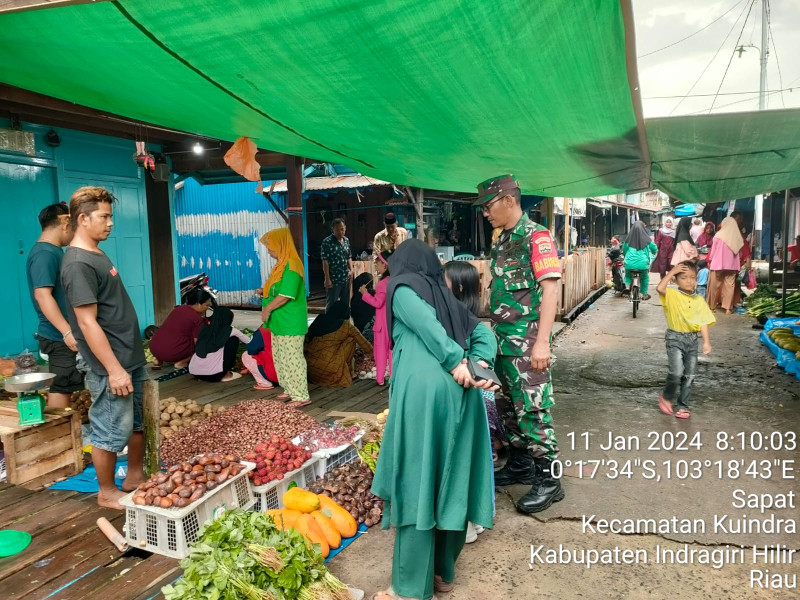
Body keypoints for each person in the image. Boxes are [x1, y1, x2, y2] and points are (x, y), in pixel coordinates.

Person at [371, 239, 496, 600]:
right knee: (452, 487)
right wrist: (479, 363)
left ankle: (409, 590)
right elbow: (484, 332)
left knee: (417, 486)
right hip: (465, 400)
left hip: (425, 404)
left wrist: (456, 362)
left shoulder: (402, 290)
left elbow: (426, 327)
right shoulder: (450, 303)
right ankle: (444, 573)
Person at [476, 174, 564, 514]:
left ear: (509, 200)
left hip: (527, 343)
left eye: (488, 205)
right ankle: (521, 463)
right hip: (503, 343)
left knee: (534, 411)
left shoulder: (536, 238)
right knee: (508, 408)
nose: (485, 212)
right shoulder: (502, 240)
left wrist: (542, 342)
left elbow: (551, 290)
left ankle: (550, 479)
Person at [60, 186, 146, 510]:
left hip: (129, 355)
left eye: (110, 216)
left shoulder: (96, 251)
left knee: (136, 421)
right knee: (110, 428)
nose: (110, 223)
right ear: (83, 219)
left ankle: (134, 477)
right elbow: (87, 323)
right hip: (112, 364)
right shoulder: (78, 263)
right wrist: (113, 369)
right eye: (104, 217)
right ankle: (107, 491)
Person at [443, 260, 505, 456]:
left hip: (472, 399)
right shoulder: (440, 320)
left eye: (442, 280)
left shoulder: (479, 331)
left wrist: (471, 365)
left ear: (459, 288)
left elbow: (480, 361)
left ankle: (489, 452)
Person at [26, 203, 81, 408]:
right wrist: (66, 332)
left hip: (65, 335)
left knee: (69, 384)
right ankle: (54, 438)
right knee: (62, 385)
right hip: (59, 337)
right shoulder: (45, 254)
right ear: (65, 222)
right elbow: (42, 295)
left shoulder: (53, 251)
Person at [656, 262, 714, 420]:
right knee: (676, 372)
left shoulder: (699, 301)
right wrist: (671, 272)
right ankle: (666, 397)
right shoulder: (671, 294)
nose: (689, 281)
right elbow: (660, 288)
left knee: (689, 375)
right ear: (675, 280)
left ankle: (683, 405)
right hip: (674, 338)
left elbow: (703, 321)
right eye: (684, 277)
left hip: (692, 340)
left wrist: (706, 342)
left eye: (692, 278)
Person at [260, 228, 311, 406]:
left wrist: (267, 310)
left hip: (290, 321)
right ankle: (290, 389)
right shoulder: (281, 264)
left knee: (293, 358)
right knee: (281, 357)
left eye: (271, 247)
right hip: (279, 321)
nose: (269, 251)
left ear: (281, 245)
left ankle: (301, 396)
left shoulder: (292, 265)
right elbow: (277, 290)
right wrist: (264, 292)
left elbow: (286, 295)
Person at [304, 301, 372, 387]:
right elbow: (364, 344)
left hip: (311, 371)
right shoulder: (345, 325)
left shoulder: (319, 321)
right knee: (351, 338)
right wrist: (373, 355)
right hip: (331, 372)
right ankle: (349, 372)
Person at [148, 288, 212, 369]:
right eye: (207, 305)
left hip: (154, 348)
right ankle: (182, 362)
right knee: (201, 346)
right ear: (198, 304)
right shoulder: (197, 319)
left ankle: (159, 360)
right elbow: (198, 343)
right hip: (171, 353)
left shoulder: (178, 309)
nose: (207, 308)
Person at [189, 307, 248, 382]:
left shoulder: (204, 328)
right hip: (215, 375)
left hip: (195, 372)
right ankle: (226, 374)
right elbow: (249, 341)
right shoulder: (229, 330)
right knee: (233, 339)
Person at [359, 251, 392, 386]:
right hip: (391, 322)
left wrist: (365, 293)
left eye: (378, 263)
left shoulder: (383, 283)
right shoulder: (393, 280)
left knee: (380, 351)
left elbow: (378, 303)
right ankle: (394, 378)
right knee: (392, 352)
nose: (376, 265)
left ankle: (379, 379)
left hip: (381, 324)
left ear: (385, 265)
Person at [705, 216, 744, 314]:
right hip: (731, 265)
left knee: (714, 285)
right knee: (729, 286)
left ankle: (712, 307)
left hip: (718, 264)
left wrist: (710, 260)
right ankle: (727, 308)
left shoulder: (718, 235)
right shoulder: (737, 237)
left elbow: (713, 251)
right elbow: (740, 253)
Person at [320, 218, 352, 312]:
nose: (340, 231)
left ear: (345, 228)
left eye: (342, 229)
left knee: (345, 303)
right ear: (332, 230)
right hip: (334, 278)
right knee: (331, 303)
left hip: (345, 277)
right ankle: (329, 324)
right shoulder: (327, 242)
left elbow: (348, 256)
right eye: (337, 229)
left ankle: (344, 323)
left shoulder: (346, 240)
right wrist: (327, 278)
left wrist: (351, 270)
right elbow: (325, 261)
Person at [622, 221, 658, 300]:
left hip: (629, 263)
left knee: (628, 276)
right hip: (643, 264)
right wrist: (654, 253)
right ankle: (644, 293)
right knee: (644, 277)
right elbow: (654, 248)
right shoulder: (647, 239)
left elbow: (624, 250)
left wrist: (626, 256)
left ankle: (627, 288)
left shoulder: (628, 240)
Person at [242, 325, 278, 391]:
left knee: (246, 355)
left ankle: (264, 383)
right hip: (292, 374)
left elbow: (251, 349)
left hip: (273, 374)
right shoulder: (295, 325)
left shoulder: (265, 329)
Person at [350, 272, 376, 342]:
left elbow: (352, 314)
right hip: (372, 332)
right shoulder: (374, 294)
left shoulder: (355, 297)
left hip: (360, 333)